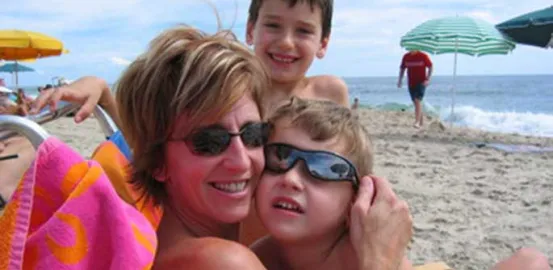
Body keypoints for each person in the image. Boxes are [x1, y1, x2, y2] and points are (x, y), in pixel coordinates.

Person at [1, 25, 412, 269]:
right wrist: (380, 260)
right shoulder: (222, 262)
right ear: (159, 161)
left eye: (253, 135)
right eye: (208, 141)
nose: (241, 161)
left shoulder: (220, 228)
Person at [252, 97, 413, 270]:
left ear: (357, 198)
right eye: (279, 157)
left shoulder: (369, 256)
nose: (290, 179)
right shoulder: (257, 258)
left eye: (322, 168)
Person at [246, 0, 350, 111]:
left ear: (322, 44)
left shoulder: (329, 94)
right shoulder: (232, 93)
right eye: (273, 25)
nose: (286, 43)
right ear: (251, 31)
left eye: (303, 30)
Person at [397, 50, 433, 129]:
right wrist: (400, 80)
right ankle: (421, 122)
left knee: (417, 100)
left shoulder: (423, 56)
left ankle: (416, 122)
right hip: (411, 83)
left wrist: (427, 79)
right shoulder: (406, 56)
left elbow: (430, 66)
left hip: (421, 82)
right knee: (416, 102)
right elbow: (402, 68)